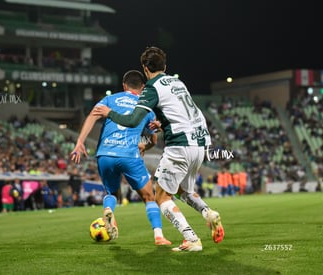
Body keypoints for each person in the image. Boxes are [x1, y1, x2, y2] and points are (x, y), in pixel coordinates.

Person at [93, 46, 224, 252]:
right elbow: (184, 114)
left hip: (179, 146)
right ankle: (208, 213)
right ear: (165, 66)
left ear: (145, 69)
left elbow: (132, 120)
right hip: (199, 144)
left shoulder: (151, 88)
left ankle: (191, 239)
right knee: (183, 191)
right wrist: (162, 125)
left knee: (161, 197)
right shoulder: (177, 82)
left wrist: (109, 113)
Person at [70, 69, 171, 246]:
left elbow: (92, 116)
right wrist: (144, 145)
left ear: (124, 86)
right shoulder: (145, 105)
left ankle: (109, 209)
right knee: (149, 196)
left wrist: (80, 142)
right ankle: (159, 236)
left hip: (105, 154)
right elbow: (154, 138)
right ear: (142, 87)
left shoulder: (110, 99)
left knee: (112, 193)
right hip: (129, 154)